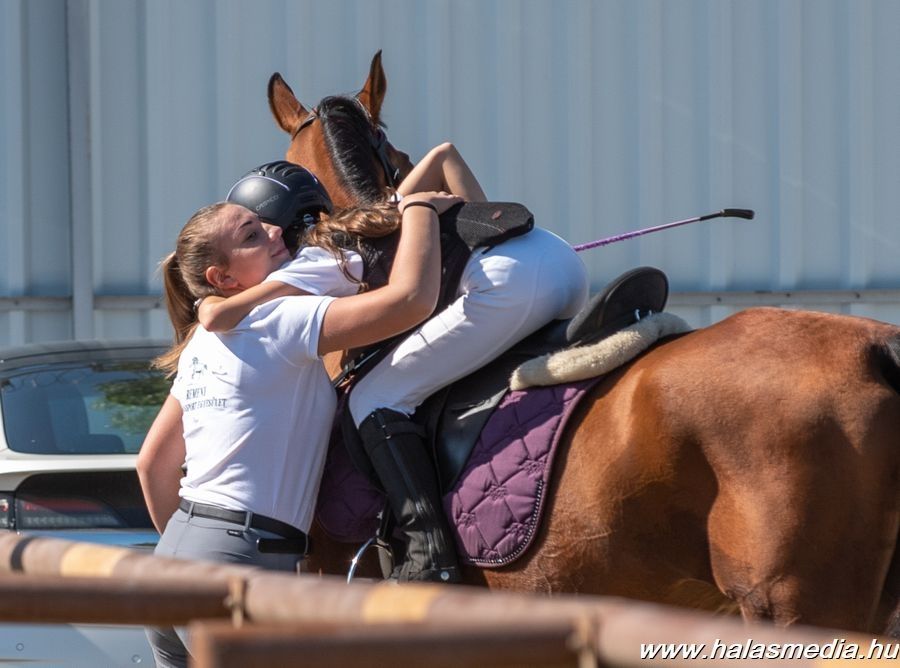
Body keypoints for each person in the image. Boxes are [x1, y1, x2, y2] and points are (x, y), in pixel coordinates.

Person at [200, 143, 589, 584]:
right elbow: (444, 155)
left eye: (261, 232)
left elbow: (225, 314)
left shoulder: (310, 259)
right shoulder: (370, 217)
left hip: (509, 287)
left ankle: (428, 552)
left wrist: (209, 304)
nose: (268, 238)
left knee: (373, 398)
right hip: (560, 261)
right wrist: (479, 235)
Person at [136, 188, 460, 668]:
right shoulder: (275, 319)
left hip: (173, 558)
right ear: (222, 278)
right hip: (240, 560)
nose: (274, 232)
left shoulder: (202, 339)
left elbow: (151, 465)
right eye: (251, 235)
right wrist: (420, 210)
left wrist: (190, 555)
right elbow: (412, 300)